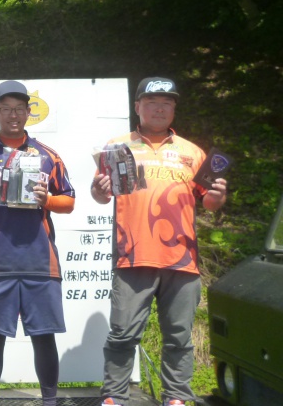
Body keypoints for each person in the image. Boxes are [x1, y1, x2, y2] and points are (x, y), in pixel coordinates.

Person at [92, 77, 228, 406]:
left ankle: (177, 397)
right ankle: (114, 396)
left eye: (167, 102)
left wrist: (217, 197)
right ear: (137, 107)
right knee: (123, 333)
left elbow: (208, 203)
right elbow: (99, 195)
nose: (159, 107)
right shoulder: (117, 147)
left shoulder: (192, 152)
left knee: (179, 336)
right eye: (152, 101)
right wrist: (99, 189)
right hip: (132, 256)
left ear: (174, 110)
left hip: (183, 260)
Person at [0, 80, 75, 406]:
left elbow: (69, 202)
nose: (13, 114)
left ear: (28, 113)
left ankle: (50, 401)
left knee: (43, 337)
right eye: (6, 108)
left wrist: (46, 199)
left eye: (19, 108)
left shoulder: (49, 156)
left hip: (39, 261)